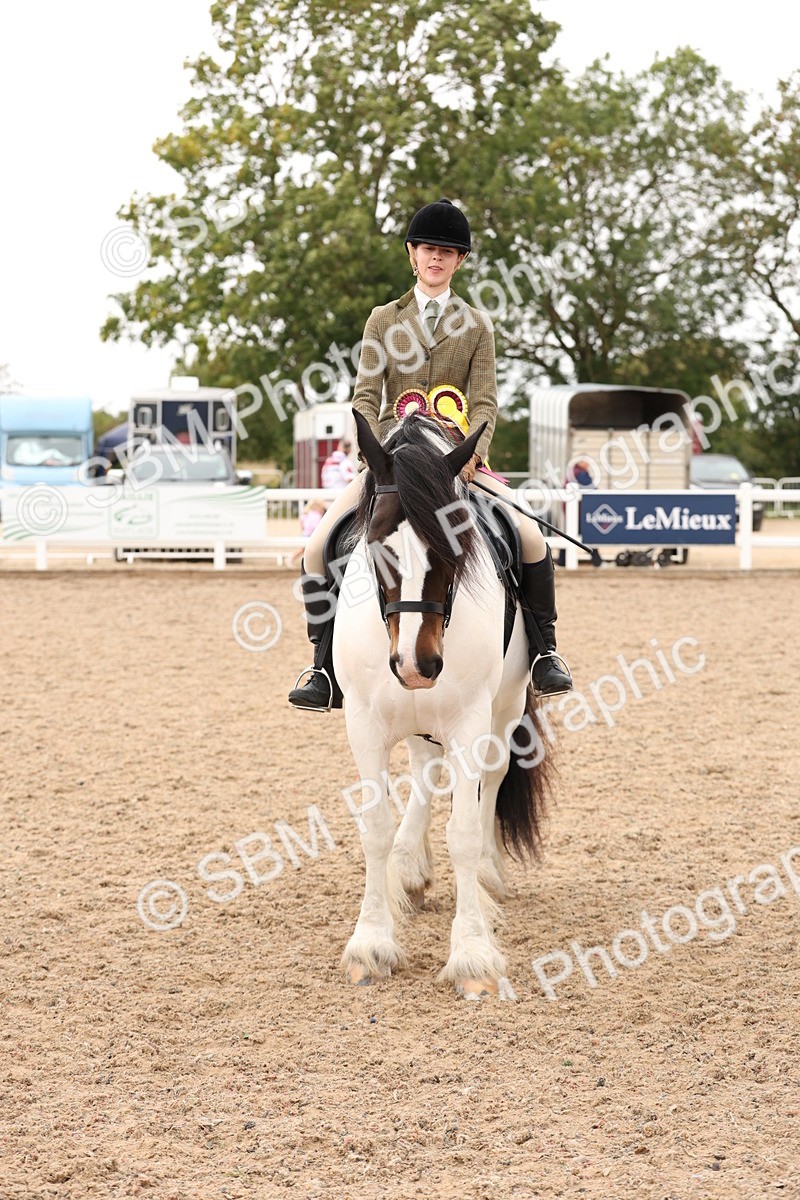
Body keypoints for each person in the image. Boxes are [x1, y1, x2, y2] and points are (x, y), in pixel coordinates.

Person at [288, 198, 573, 711]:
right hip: (394, 461)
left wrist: (469, 457)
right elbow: (366, 396)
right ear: (412, 255)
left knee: (530, 536)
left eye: (446, 251)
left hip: (455, 459)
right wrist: (373, 456)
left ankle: (544, 654)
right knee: (316, 550)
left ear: (459, 261)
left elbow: (484, 399)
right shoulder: (382, 319)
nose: (436, 258)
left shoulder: (477, 325)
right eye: (427, 249)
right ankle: (322, 664)